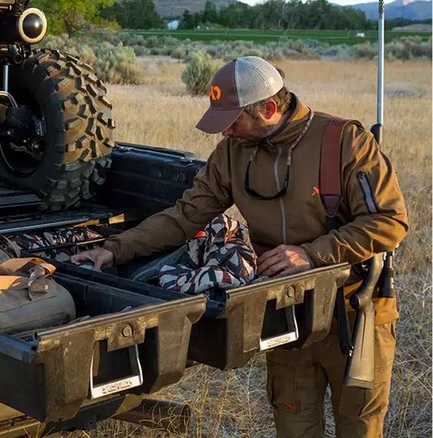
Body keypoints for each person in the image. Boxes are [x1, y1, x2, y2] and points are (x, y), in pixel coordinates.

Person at [72, 56, 408, 438]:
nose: (226, 133)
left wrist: (311, 254)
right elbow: (185, 216)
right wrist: (114, 250)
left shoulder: (343, 142)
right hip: (287, 315)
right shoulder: (233, 153)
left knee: (359, 427)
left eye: (233, 121)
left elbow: (389, 221)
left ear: (267, 108)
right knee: (294, 424)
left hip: (353, 312)